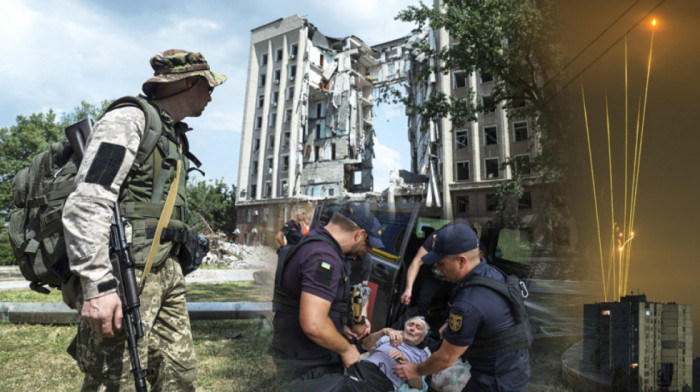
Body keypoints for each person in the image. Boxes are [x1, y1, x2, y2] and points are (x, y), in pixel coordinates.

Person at [62, 49, 226, 391]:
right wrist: (97, 284)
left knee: (179, 374)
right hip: (127, 272)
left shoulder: (172, 133)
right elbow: (89, 199)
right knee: (114, 379)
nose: (212, 95)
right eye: (209, 86)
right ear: (190, 82)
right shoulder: (129, 120)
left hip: (166, 268)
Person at [392, 223, 530, 392]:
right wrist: (451, 322)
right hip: (514, 365)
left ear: (462, 261)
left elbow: (446, 359)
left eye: (441, 263)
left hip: (496, 380)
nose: (438, 269)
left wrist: (416, 370)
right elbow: (484, 314)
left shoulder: (468, 304)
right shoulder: (489, 273)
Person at [272, 202, 383, 385]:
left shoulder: (316, 241)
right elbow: (314, 324)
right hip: (306, 358)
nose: (368, 251)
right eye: (368, 244)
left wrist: (338, 327)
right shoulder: (324, 256)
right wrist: (346, 349)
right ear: (359, 234)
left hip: (300, 349)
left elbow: (315, 305)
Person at [287, 316, 431, 391]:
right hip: (360, 366)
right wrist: (382, 332)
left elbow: (419, 387)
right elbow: (365, 345)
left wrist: (406, 363)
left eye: (418, 327)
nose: (412, 328)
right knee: (319, 371)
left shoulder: (422, 356)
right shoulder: (389, 337)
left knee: (343, 384)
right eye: (410, 325)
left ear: (422, 337)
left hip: (380, 381)